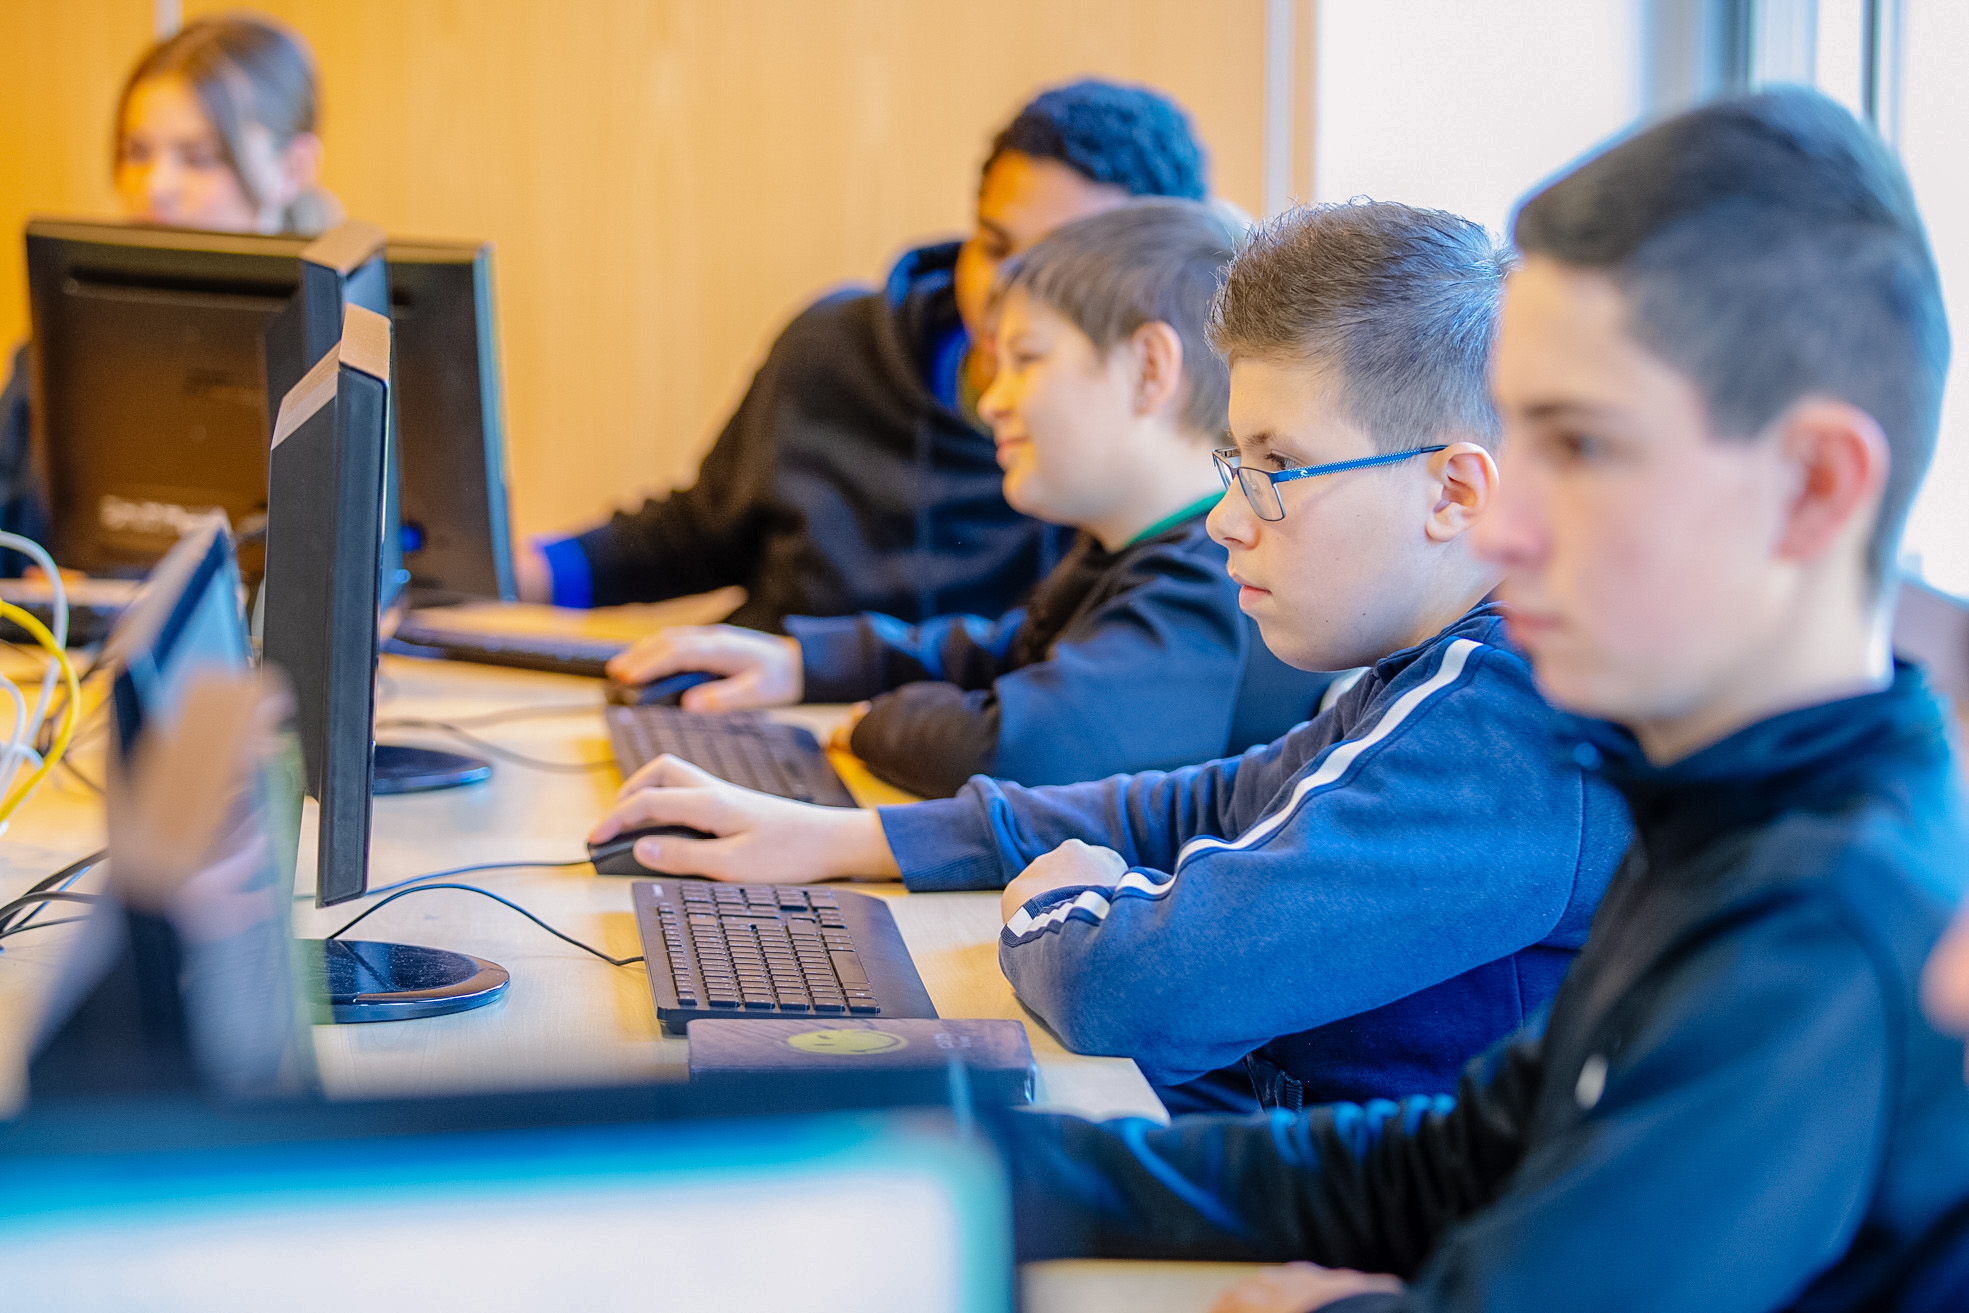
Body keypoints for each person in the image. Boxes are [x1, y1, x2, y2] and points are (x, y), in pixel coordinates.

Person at [990, 89, 1969, 1313]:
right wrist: (986, 1174)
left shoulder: (1824, 924)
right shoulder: (1718, 808)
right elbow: (1468, 1160)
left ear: (1813, 488)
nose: (1500, 522)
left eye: (1580, 447)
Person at [588, 200, 1629, 1112]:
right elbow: (1211, 804)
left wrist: (1064, 896)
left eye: (1277, 465)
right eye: (1237, 461)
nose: (1226, 516)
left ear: (1454, 491)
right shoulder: (1436, 669)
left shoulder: (1509, 719)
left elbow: (1129, 988)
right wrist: (845, 839)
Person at [602, 201, 1333, 798]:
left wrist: (865, 724)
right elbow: (1002, 652)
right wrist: (803, 663)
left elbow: (1031, 750)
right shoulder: (1132, 557)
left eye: (1025, 360)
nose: (992, 403)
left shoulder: (1212, 579)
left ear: (1148, 368)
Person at [519, 80, 1211, 632]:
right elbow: (704, 528)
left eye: (1056, 270)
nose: (1006, 294)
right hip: (761, 716)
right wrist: (501, 570)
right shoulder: (831, 348)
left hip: (946, 764)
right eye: (995, 247)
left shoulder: (1152, 469)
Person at [0, 12, 338, 568]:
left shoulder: (355, 341)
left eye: (200, 158)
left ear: (293, 166)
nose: (154, 187)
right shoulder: (62, 346)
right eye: (137, 153)